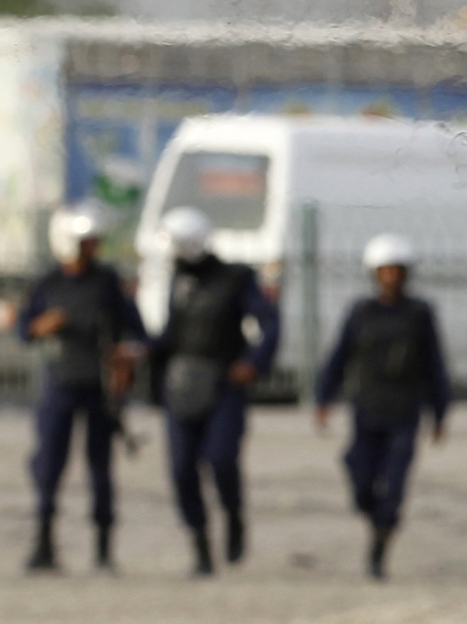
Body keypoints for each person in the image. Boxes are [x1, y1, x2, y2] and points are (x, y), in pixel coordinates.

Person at [17, 201, 148, 572]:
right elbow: (24, 328)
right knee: (48, 465)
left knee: (101, 468)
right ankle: (44, 545)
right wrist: (41, 325)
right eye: (87, 240)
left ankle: (103, 550)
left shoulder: (107, 282)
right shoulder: (48, 283)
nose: (94, 247)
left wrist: (128, 355)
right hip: (60, 384)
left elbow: (137, 330)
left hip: (99, 388)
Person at [314, 233, 452, 580]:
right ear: (374, 274)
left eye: (397, 271)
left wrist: (440, 412)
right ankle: (376, 521)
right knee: (361, 480)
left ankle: (380, 546)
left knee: (394, 484)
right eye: (384, 271)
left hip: (405, 411)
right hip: (367, 408)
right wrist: (323, 398)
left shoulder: (420, 314)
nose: (391, 277)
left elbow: (435, 364)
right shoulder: (361, 312)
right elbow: (339, 356)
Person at [151, 206, 280, 576]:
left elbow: (268, 322)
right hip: (180, 386)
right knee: (181, 470)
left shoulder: (236, 278)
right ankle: (200, 545)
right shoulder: (179, 281)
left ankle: (234, 515)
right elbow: (172, 335)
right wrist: (141, 349)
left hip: (223, 385)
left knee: (221, 459)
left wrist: (253, 362)